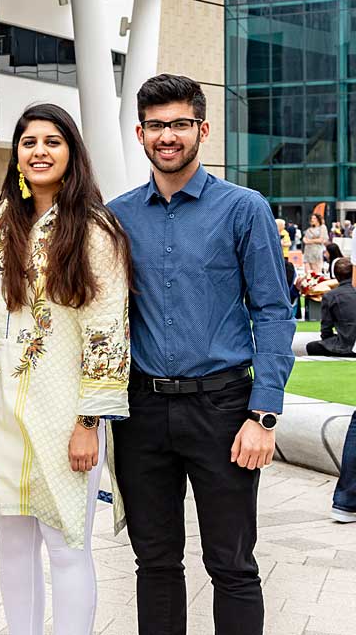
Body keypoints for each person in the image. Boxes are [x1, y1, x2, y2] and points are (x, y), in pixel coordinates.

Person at [109, 74, 294, 635]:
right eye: (157, 125)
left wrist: (263, 414)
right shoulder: (116, 217)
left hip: (223, 408)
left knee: (232, 564)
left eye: (180, 125)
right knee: (155, 563)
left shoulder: (244, 208)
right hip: (141, 413)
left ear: (202, 129)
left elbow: (274, 311)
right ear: (140, 133)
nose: (169, 136)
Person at [0, 104, 132, 635]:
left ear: (72, 153)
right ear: (16, 154)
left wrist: (90, 422)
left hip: (65, 418)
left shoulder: (94, 229)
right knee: (13, 546)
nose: (39, 151)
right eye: (28, 141)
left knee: (67, 547)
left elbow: (106, 329)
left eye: (52, 141)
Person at [306, 257, 356, 358]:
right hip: (348, 339)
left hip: (346, 344)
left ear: (335, 276)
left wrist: (328, 340)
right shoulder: (332, 295)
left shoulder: (331, 296)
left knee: (312, 346)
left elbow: (326, 328)